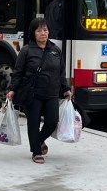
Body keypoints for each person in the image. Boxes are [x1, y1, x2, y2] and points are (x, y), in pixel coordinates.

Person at [7, 17, 71, 164]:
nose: (43, 33)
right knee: (33, 123)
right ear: (33, 33)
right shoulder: (26, 51)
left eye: (45, 30)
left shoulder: (55, 50)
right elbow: (18, 72)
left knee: (52, 122)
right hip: (33, 94)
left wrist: (66, 89)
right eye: (39, 30)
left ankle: (39, 140)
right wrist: (12, 89)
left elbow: (61, 72)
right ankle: (36, 152)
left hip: (51, 93)